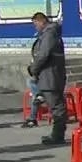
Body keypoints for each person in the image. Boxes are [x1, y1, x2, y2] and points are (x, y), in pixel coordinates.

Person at [28, 12, 67, 145]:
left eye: (36, 24)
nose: (36, 27)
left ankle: (58, 135)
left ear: (41, 21)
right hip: (52, 75)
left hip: (50, 76)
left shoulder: (49, 34)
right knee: (57, 106)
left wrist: (33, 68)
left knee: (57, 107)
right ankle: (57, 134)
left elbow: (43, 54)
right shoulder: (52, 33)